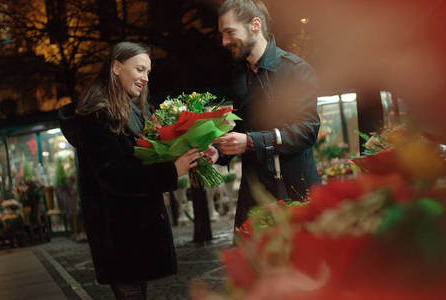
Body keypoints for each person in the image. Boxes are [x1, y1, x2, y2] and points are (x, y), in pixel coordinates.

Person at [59, 42, 200, 300]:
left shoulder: (129, 110)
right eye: (139, 69)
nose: (145, 78)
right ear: (116, 67)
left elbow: (136, 163)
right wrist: (171, 170)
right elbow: (116, 177)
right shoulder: (97, 117)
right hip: (120, 239)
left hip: (133, 235)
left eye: (148, 72)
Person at [205, 0, 321, 229]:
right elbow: (242, 128)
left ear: (255, 25)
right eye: (222, 34)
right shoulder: (239, 75)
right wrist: (219, 153)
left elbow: (307, 131)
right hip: (254, 194)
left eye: (230, 32)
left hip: (293, 190)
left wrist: (250, 141)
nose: (224, 42)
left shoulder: (296, 70)